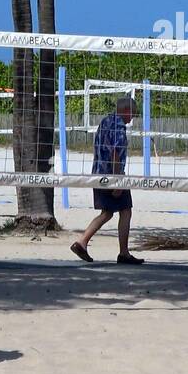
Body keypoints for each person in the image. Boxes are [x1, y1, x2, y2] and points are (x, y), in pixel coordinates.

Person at [71, 96, 144, 265]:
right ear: (126, 111)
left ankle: (82, 243)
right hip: (111, 175)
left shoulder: (104, 121)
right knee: (125, 210)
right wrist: (118, 179)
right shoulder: (118, 126)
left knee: (107, 212)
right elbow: (115, 154)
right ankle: (123, 253)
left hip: (98, 174)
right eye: (132, 114)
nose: (132, 117)